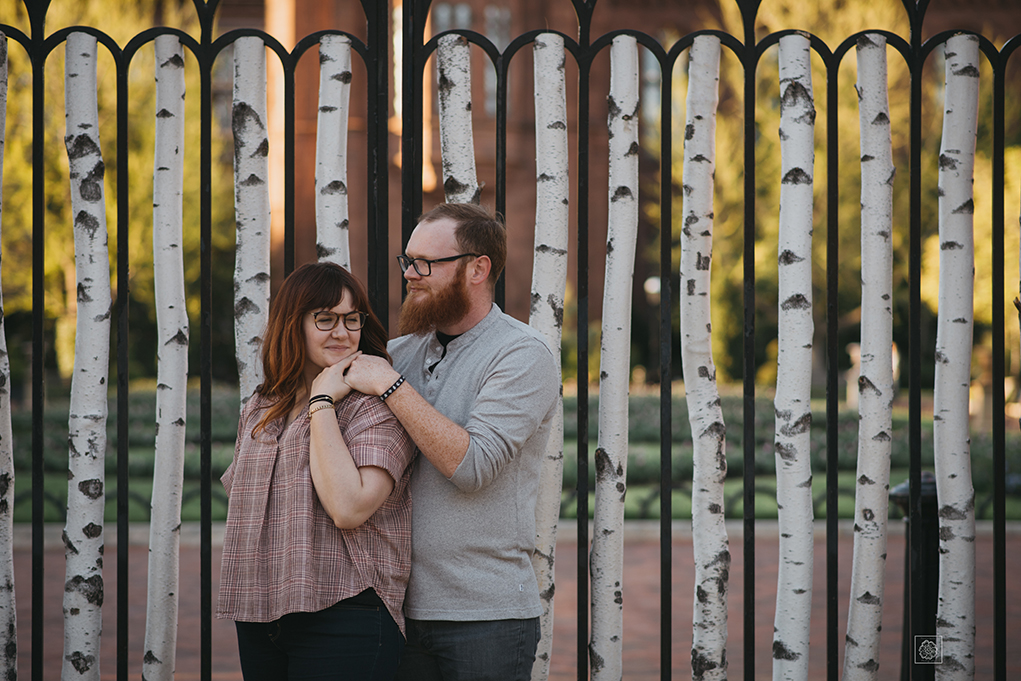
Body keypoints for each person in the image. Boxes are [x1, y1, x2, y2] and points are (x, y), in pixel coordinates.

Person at [345, 203, 561, 681]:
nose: (410, 275)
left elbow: (473, 466)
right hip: (395, 609)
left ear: (478, 268)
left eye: (425, 263)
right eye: (407, 261)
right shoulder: (398, 355)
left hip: (486, 617)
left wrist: (391, 387)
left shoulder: (523, 354)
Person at [217, 262, 416, 681]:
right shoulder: (261, 406)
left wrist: (322, 401)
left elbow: (349, 507)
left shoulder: (374, 406)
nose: (341, 332)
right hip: (261, 611)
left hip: (346, 610)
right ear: (294, 324)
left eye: (351, 319)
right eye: (324, 319)